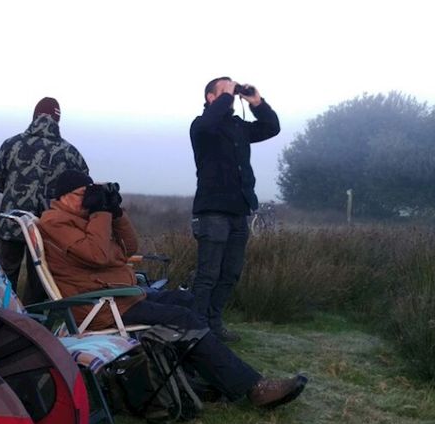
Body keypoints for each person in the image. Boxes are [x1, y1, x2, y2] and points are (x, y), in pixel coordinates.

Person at [37, 171, 306, 408]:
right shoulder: (55, 222)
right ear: (63, 197)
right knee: (183, 319)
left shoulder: (81, 220)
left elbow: (129, 246)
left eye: (90, 194)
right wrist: (101, 212)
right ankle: (254, 388)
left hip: (120, 296)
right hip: (101, 307)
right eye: (83, 195)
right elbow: (96, 254)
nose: (88, 200)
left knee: (188, 301)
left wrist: (116, 213)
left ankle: (199, 378)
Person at [189, 77, 280, 343]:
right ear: (210, 97)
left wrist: (257, 102)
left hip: (239, 208)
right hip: (213, 210)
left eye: (233, 89)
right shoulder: (202, 126)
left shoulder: (238, 127)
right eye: (225, 89)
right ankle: (197, 330)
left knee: (230, 273)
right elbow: (209, 122)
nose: (232, 92)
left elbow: (271, 128)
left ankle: (214, 325)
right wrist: (228, 96)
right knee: (208, 274)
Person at [0, 97, 89, 304]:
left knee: (4, 278)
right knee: (40, 281)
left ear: (34, 116)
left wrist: (13, 194)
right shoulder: (70, 153)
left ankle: (2, 321)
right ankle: (33, 326)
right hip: (48, 227)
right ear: (58, 120)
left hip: (11, 221)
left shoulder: (11, 144)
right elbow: (82, 191)